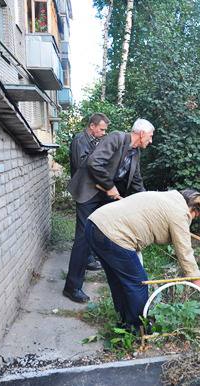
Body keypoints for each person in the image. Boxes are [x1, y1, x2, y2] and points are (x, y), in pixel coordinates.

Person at [86, 189, 200, 332]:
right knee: (139, 283)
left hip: (94, 225)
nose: (190, 221)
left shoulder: (166, 198)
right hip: (113, 234)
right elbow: (185, 253)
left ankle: (124, 321)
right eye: (194, 217)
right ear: (194, 208)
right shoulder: (180, 213)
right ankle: (137, 329)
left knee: (118, 280)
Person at [63, 118, 155, 303]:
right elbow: (94, 162)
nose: (150, 141)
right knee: (83, 238)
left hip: (105, 197)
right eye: (150, 137)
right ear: (142, 133)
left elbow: (136, 181)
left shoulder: (135, 153)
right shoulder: (116, 138)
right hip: (89, 191)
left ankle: (110, 273)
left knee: (105, 234)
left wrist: (149, 203)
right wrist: (110, 186)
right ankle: (72, 287)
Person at [69, 113, 110, 271]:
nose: (103, 133)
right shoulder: (80, 140)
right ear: (92, 126)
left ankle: (89, 258)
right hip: (83, 191)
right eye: (101, 129)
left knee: (91, 227)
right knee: (83, 231)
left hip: (92, 191)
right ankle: (85, 261)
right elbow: (82, 163)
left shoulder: (94, 140)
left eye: (105, 130)